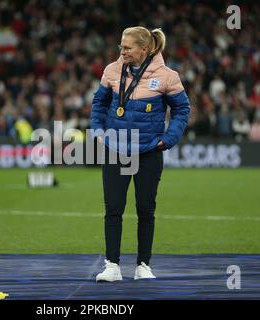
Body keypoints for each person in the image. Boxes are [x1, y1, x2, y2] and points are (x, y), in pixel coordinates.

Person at [91, 26, 190, 281]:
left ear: (144, 49)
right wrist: (98, 131)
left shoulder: (168, 76)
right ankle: (112, 266)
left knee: (145, 210)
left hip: (148, 152)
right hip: (116, 150)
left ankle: (143, 266)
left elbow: (182, 110)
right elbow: (99, 103)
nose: (121, 51)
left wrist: (168, 139)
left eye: (127, 47)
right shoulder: (112, 71)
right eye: (120, 47)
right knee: (113, 209)